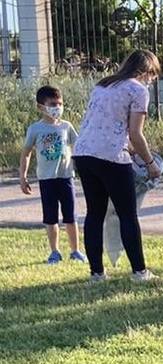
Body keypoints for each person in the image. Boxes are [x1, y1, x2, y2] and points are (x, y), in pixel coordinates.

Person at [72, 49, 162, 282]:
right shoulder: (138, 90)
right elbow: (135, 133)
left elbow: (106, 124)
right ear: (146, 71)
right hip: (112, 157)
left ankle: (97, 273)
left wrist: (130, 147)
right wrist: (150, 163)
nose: (152, 80)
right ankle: (139, 271)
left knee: (95, 213)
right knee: (127, 215)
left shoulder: (103, 85)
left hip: (84, 152)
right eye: (153, 75)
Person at [19, 85, 87, 265]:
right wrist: (23, 176)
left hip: (66, 177)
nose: (57, 107)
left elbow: (78, 147)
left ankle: (75, 251)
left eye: (60, 104)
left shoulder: (67, 126)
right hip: (46, 179)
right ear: (41, 107)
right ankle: (55, 252)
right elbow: (26, 152)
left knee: (71, 216)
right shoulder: (35, 129)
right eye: (52, 104)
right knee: (50, 217)